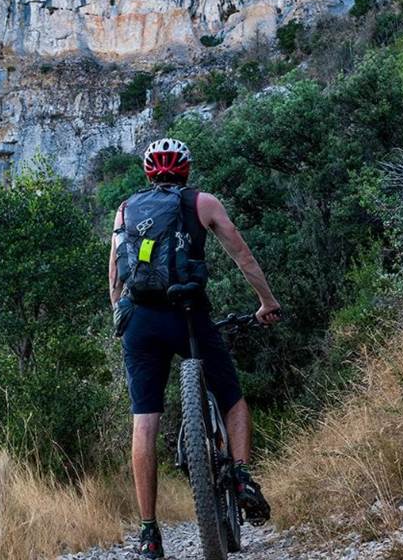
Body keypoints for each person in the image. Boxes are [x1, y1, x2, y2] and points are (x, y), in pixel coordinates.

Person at [108, 137, 282, 559]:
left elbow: (115, 272)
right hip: (188, 313)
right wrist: (267, 302)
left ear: (148, 173)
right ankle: (240, 475)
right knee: (232, 399)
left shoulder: (127, 209)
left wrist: (121, 315)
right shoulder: (202, 202)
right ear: (185, 171)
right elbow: (242, 255)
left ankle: (149, 533)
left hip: (141, 321)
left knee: (144, 422)